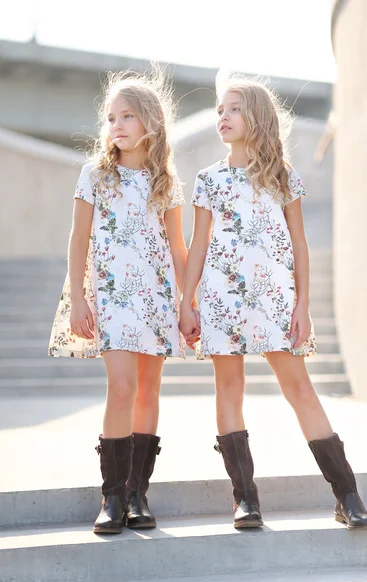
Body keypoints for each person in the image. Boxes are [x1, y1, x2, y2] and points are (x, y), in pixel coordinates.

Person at [179, 72, 367, 530]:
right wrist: (187, 300)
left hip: (276, 302)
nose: (223, 116)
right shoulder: (208, 180)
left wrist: (303, 305)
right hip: (222, 301)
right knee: (230, 389)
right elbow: (198, 244)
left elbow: (299, 245)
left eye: (233, 108)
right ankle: (245, 499)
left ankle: (347, 495)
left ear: (257, 116)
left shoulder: (284, 178)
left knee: (299, 388)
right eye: (219, 109)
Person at [49, 67, 193, 534]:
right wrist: (77, 298)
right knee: (123, 387)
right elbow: (78, 239)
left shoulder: (165, 181)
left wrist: (187, 302)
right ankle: (111, 496)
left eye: (127, 115)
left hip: (156, 298)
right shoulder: (95, 175)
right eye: (111, 117)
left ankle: (137, 495)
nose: (117, 126)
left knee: (149, 390)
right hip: (111, 297)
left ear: (150, 121)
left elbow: (178, 249)